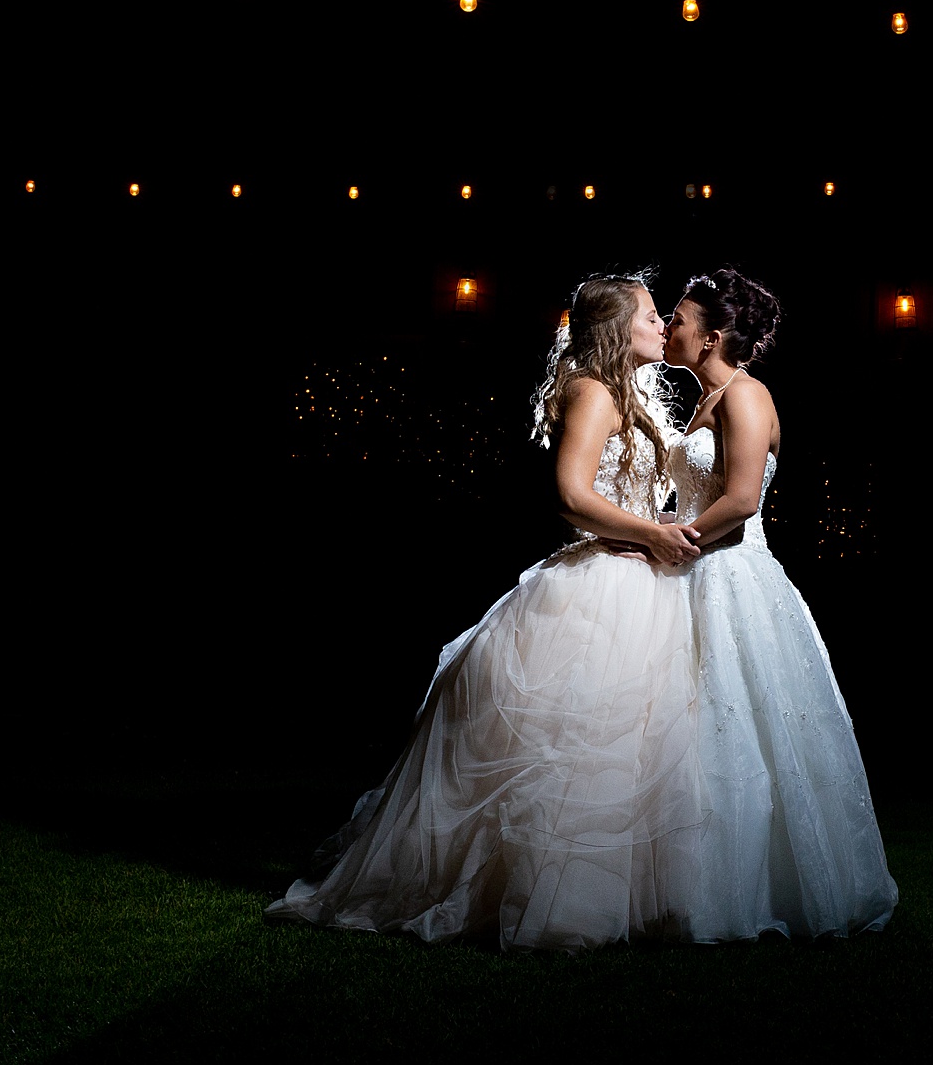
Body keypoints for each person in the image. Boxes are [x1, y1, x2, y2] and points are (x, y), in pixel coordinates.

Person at [266, 274, 706, 951]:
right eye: (651, 314)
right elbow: (569, 494)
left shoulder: (633, 393)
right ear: (621, 327)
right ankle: (555, 901)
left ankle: (629, 899)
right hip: (598, 588)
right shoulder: (592, 389)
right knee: (577, 756)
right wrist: (649, 533)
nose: (662, 324)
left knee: (633, 752)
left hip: (639, 580)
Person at [662, 269, 899, 940]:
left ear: (711, 336)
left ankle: (753, 889)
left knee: (742, 730)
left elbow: (739, 504)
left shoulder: (746, 395)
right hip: (697, 566)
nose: (670, 326)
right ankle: (686, 881)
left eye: (679, 316)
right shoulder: (705, 400)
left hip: (732, 576)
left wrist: (665, 543)